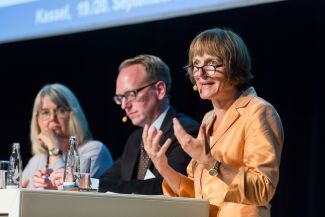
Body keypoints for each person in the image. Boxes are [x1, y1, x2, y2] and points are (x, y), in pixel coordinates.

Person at [143, 28, 284, 217]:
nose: (200, 73)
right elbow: (197, 193)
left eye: (211, 64)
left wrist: (211, 163)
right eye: (196, 65)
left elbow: (262, 190)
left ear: (234, 67)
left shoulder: (258, 111)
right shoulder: (208, 119)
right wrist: (163, 167)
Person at [98, 54, 199, 194]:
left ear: (159, 90)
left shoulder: (185, 131)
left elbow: (164, 187)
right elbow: (107, 180)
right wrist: (83, 181)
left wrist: (97, 184)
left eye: (131, 94)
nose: (124, 105)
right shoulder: (135, 139)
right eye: (120, 98)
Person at [23, 83, 113, 189]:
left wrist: (54, 150)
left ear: (73, 115)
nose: (52, 118)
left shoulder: (94, 150)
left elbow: (70, 194)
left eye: (61, 111)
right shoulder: (36, 160)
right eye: (45, 112)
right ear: (37, 120)